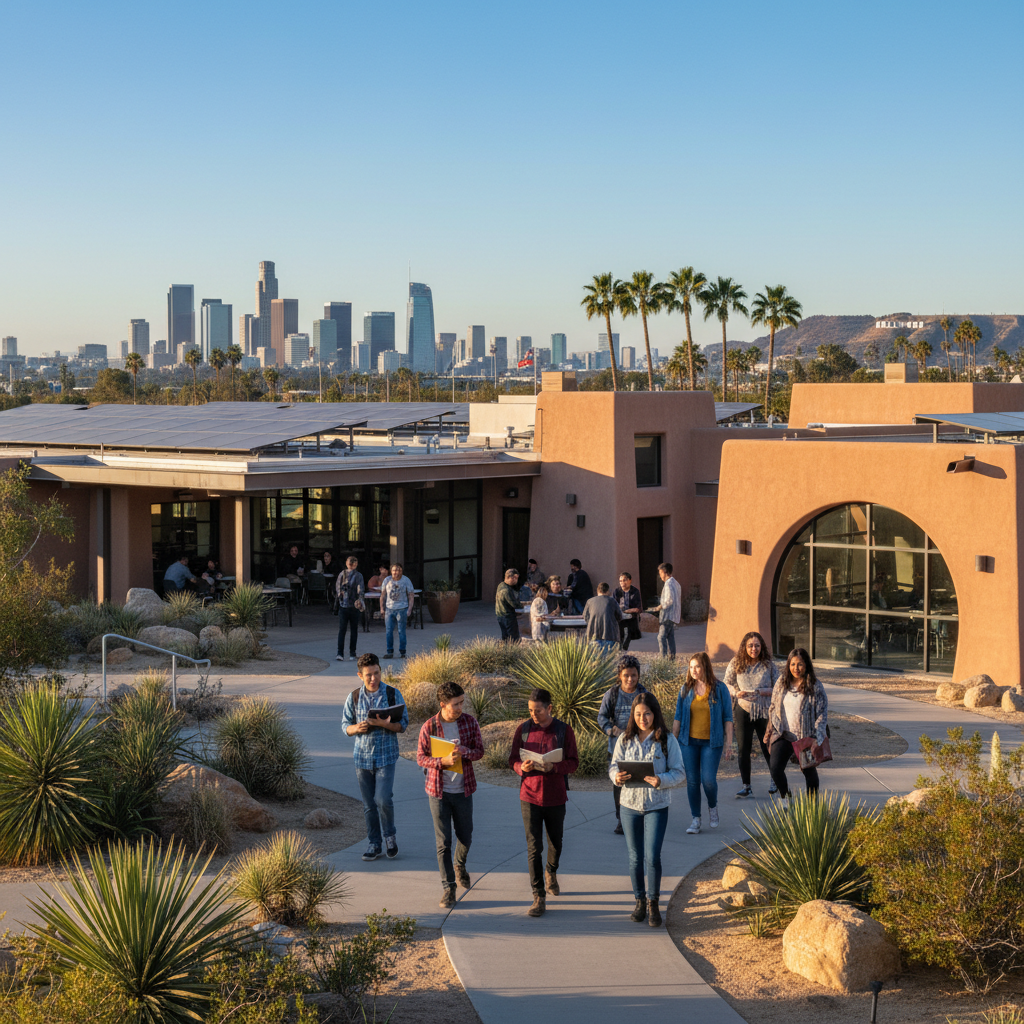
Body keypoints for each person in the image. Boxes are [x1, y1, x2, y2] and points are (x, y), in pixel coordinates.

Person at [610, 692, 684, 927]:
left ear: (655, 714)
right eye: (639, 714)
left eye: (647, 714)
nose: (643, 718)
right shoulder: (625, 739)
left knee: (652, 857)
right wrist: (617, 777)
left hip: (656, 805)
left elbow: (680, 772)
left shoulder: (666, 740)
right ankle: (639, 900)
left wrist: (661, 779)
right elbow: (613, 767)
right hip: (629, 805)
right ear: (633, 715)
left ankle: (653, 903)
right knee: (635, 858)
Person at [508, 688, 579, 917]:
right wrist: (522, 768)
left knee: (556, 843)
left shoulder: (563, 731)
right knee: (533, 847)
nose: (533, 715)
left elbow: (574, 762)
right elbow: (512, 759)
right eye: (530, 710)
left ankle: (551, 870)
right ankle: (538, 896)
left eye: (538, 710)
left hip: (555, 796)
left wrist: (554, 767)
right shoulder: (524, 730)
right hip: (529, 796)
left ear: (550, 708)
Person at [416, 681, 485, 908]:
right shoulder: (429, 727)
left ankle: (460, 864)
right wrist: (441, 762)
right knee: (443, 842)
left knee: (466, 835)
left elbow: (479, 752)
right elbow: (421, 758)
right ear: (443, 704)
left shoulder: (469, 722)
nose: (460, 708)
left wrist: (464, 752)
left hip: (463, 790)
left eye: (462, 702)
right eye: (455, 704)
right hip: (438, 792)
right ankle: (449, 888)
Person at [341, 653, 408, 861]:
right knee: (369, 804)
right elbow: (345, 726)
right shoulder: (353, 697)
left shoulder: (392, 694)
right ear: (360, 675)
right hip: (362, 759)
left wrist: (386, 725)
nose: (373, 678)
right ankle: (374, 843)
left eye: (377, 673)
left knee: (383, 799)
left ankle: (390, 837)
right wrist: (356, 728)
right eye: (368, 675)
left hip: (386, 757)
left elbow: (403, 724)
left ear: (381, 670)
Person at [673, 652, 734, 834]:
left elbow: (728, 718)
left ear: (705, 667)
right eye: (691, 667)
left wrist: (729, 744)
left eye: (697, 666)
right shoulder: (685, 689)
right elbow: (677, 717)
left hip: (711, 743)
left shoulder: (720, 688)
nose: (694, 670)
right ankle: (696, 819)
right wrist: (671, 742)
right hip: (688, 742)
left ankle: (713, 807)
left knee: (708, 780)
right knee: (692, 781)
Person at [767, 648, 828, 803]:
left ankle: (812, 806)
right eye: (793, 664)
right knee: (775, 768)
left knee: (809, 772)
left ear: (806, 665)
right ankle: (786, 799)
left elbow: (822, 714)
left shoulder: (815, 686)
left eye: (800, 664)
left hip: (805, 737)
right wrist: (773, 729)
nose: (796, 668)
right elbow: (773, 706)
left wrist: (816, 738)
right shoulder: (781, 682)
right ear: (788, 665)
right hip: (784, 734)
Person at [723, 631, 779, 798]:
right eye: (750, 646)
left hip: (764, 710)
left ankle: (775, 780)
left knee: (768, 746)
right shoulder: (736, 662)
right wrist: (735, 692)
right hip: (743, 709)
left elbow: (779, 687)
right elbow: (726, 682)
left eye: (757, 645)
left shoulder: (768, 664)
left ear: (761, 647)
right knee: (743, 749)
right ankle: (746, 786)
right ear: (744, 647)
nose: (754, 649)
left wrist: (762, 691)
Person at [597, 654, 647, 834]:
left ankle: (639, 817)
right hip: (617, 748)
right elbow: (602, 717)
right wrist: (611, 729)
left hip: (639, 747)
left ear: (638, 675)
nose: (630, 679)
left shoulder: (644, 694)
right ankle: (621, 819)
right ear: (620, 675)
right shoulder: (612, 694)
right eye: (626, 675)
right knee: (619, 784)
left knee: (639, 783)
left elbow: (652, 716)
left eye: (633, 675)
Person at [380, 563, 415, 659]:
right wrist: (382, 608)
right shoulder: (387, 580)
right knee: (389, 631)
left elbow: (411, 595)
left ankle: (403, 652)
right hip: (389, 609)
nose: (396, 572)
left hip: (402, 608)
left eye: (399, 570)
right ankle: (389, 651)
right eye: (394, 570)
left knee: (401, 631)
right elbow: (382, 595)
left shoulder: (406, 580)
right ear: (391, 571)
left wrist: (409, 609)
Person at [335, 555, 365, 662]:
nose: (352, 565)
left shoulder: (358, 575)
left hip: (354, 605)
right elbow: (338, 587)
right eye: (350, 563)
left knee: (353, 630)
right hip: (344, 605)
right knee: (342, 630)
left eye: (354, 563)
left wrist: (360, 599)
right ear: (347, 563)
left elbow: (361, 589)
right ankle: (340, 652)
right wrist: (340, 594)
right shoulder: (342, 574)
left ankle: (352, 652)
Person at [650, 563, 681, 659]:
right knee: (670, 637)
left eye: (660, 573)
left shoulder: (668, 584)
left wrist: (658, 607)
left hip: (667, 615)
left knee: (661, 637)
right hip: (673, 616)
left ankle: (663, 660)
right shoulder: (676, 583)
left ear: (664, 572)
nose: (660, 576)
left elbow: (669, 600)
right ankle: (672, 659)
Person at [583, 582, 624, 654]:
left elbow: (585, 617)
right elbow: (619, 616)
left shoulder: (590, 601)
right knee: (609, 662)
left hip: (593, 636)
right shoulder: (612, 601)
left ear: (597, 591)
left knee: (595, 662)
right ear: (608, 591)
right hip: (610, 635)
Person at [613, 572, 643, 651]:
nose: (623, 583)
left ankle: (623, 649)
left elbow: (637, 608)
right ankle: (620, 650)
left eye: (625, 580)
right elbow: (614, 606)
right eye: (621, 581)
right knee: (620, 635)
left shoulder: (635, 591)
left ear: (630, 580)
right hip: (620, 618)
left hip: (631, 618)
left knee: (628, 634)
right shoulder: (617, 591)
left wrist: (626, 611)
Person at [495, 568, 522, 643]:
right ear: (510, 578)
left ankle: (506, 651)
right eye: (515, 578)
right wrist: (522, 605)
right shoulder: (506, 590)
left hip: (500, 615)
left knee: (505, 638)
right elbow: (514, 604)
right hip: (508, 616)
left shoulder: (501, 585)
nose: (516, 580)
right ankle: (512, 652)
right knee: (513, 639)